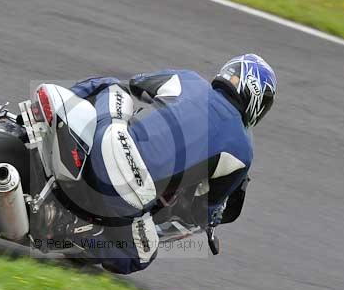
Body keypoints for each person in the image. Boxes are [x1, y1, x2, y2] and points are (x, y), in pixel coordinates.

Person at [65, 53, 277, 274]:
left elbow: (138, 83)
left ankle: (48, 114)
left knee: (110, 86)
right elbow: (206, 209)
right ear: (258, 102)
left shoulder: (189, 80)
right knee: (141, 253)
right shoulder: (243, 151)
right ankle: (79, 242)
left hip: (109, 142)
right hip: (132, 193)